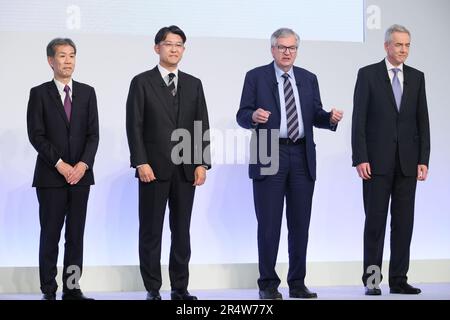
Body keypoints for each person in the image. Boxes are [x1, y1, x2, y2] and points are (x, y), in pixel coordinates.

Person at [236, 28, 343, 300]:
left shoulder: (308, 79)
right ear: (272, 49)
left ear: (297, 50)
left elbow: (315, 115)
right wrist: (253, 116)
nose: (287, 52)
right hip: (268, 151)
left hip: (301, 155)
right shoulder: (256, 77)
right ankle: (268, 285)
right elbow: (242, 114)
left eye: (292, 48)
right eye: (282, 47)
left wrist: (329, 118)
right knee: (269, 224)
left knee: (299, 224)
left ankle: (297, 283)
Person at [126, 25, 211, 300]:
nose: (174, 49)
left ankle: (180, 287)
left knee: (181, 231)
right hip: (153, 168)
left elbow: (201, 124)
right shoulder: (141, 81)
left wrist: (201, 163)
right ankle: (153, 288)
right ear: (157, 48)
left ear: (183, 50)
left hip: (186, 169)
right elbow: (134, 125)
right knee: (151, 230)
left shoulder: (194, 83)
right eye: (168, 44)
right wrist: (141, 161)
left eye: (179, 45)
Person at [352, 24, 430, 296]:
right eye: (399, 45)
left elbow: (423, 122)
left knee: (403, 224)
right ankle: (372, 281)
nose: (404, 50)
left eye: (407, 45)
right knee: (374, 224)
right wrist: (360, 157)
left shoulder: (417, 78)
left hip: (408, 164)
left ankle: (399, 280)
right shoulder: (368, 75)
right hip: (375, 164)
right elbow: (358, 120)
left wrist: (424, 159)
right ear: (386, 46)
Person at [27, 38, 99, 300]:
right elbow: (36, 135)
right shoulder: (39, 93)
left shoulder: (88, 92)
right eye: (62, 56)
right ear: (50, 61)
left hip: (81, 177)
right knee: (50, 235)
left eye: (72, 56)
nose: (67, 61)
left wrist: (81, 165)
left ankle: (71, 288)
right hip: (50, 177)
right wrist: (60, 165)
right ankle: (48, 290)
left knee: (75, 236)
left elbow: (93, 135)